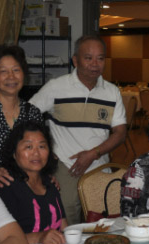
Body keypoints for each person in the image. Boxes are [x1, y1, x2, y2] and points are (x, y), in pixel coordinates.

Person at [29, 35, 127, 224]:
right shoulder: (56, 87)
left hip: (99, 163)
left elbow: (120, 133)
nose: (95, 64)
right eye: (88, 58)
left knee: (103, 220)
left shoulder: (111, 91)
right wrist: (44, 149)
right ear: (75, 60)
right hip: (65, 165)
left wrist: (93, 154)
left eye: (100, 58)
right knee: (67, 219)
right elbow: (27, 117)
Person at [0, 45, 44, 188]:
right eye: (3, 71)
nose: (11, 76)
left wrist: (47, 177)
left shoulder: (33, 113)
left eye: (16, 70)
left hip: (27, 189)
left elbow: (41, 153)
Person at [0, 120, 67, 244]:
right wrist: (38, 238)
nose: (36, 153)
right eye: (28, 147)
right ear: (14, 153)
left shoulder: (50, 183)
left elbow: (64, 227)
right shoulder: (6, 186)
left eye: (42, 146)